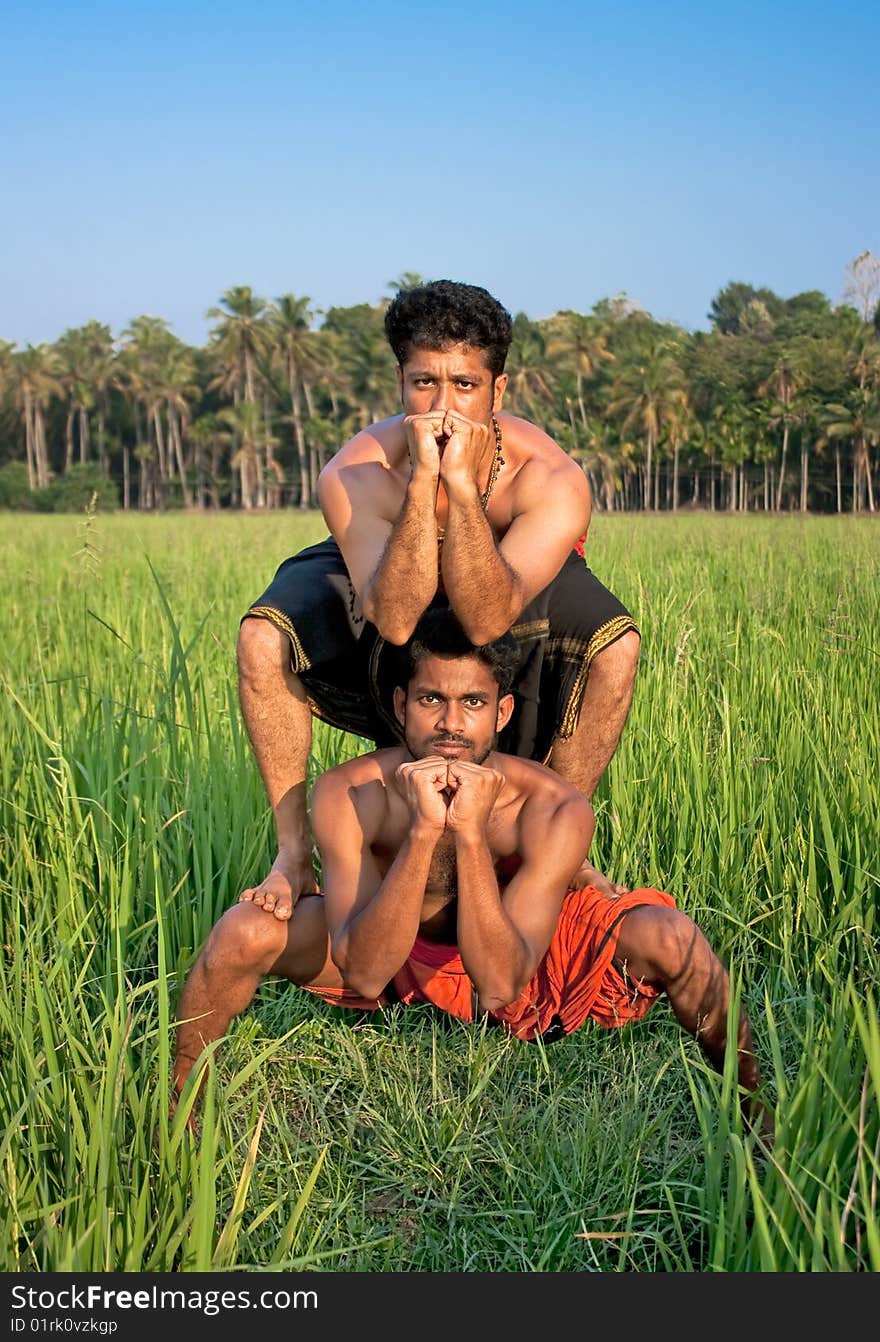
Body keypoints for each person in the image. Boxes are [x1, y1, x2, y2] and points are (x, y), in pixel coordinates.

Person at [175, 609, 770, 1138]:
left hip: (518, 953)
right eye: (432, 700)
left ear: (503, 713)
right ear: (403, 704)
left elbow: (503, 984)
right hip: (393, 948)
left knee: (672, 937)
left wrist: (469, 833)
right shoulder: (350, 792)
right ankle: (178, 1119)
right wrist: (423, 831)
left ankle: (755, 1113)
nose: (451, 724)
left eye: (474, 704)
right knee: (241, 932)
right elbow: (363, 969)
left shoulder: (555, 807)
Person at [237, 280, 641, 920]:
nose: (444, 407)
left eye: (465, 385)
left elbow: (486, 617)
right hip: (391, 571)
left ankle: (560, 844)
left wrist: (462, 481)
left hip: (505, 575)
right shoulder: (358, 471)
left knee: (616, 644)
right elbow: (394, 620)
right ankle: (291, 856)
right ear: (401, 381)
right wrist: (428, 480)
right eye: (425, 383)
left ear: (498, 390)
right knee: (262, 637)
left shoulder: (550, 477)